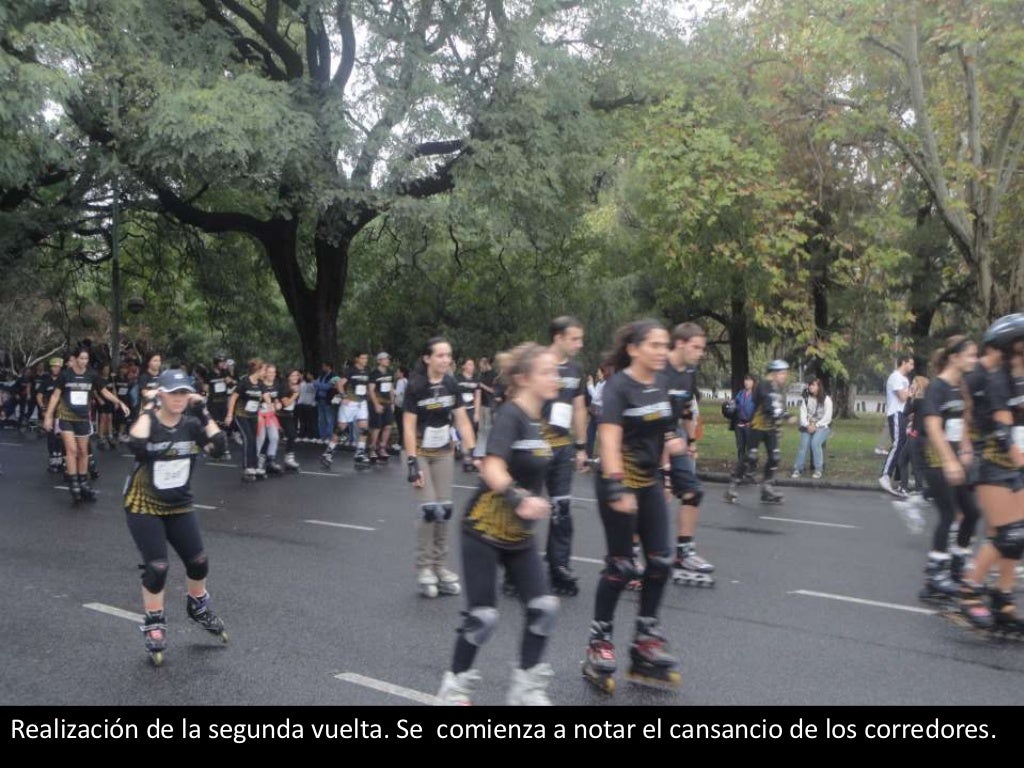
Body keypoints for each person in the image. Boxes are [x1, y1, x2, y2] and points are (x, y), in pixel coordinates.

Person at [436, 343, 560, 706]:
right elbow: (491, 466)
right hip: (484, 529)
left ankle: (525, 688)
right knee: (484, 617)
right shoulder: (511, 415)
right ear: (523, 379)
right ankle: (453, 690)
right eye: (547, 372)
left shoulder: (540, 420)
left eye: (556, 371)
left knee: (544, 608)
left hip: (518, 536)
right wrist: (520, 498)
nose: (555, 377)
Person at [581, 320, 687, 694]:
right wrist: (616, 484)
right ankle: (599, 642)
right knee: (622, 566)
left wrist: (671, 472)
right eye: (655, 345)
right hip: (619, 480)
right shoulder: (618, 387)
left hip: (651, 480)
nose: (662, 351)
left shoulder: (659, 382)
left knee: (659, 561)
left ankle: (645, 638)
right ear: (633, 349)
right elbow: (608, 440)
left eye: (665, 345)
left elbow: (665, 431)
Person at [124, 369, 229, 665]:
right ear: (161, 395)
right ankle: (154, 621)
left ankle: (197, 605)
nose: (179, 398)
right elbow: (134, 445)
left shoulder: (192, 425)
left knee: (198, 562)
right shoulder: (151, 423)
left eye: (184, 393)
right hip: (144, 505)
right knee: (157, 567)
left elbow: (219, 448)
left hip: (179, 504)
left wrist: (203, 410)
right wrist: (147, 406)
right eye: (173, 393)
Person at [951, 315, 1024, 633]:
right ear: (1008, 350)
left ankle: (1003, 597)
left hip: (1009, 463)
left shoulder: (1012, 377)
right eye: (1020, 350)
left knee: (1017, 537)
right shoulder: (995, 378)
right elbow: (1005, 430)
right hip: (994, 463)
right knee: (1008, 535)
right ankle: (969, 592)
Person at [404, 338, 479, 598]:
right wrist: (412, 463)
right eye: (440, 356)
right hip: (421, 452)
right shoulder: (415, 385)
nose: (446, 360)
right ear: (427, 358)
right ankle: (424, 568)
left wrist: (472, 452)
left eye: (449, 356)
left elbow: (463, 421)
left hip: (444, 452)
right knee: (428, 510)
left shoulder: (450, 383)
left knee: (444, 510)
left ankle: (440, 567)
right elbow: (409, 426)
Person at [914, 336, 981, 601]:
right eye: (971, 355)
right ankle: (935, 576)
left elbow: (962, 420)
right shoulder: (937, 387)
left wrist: (964, 448)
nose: (974, 360)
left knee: (973, 513)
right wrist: (949, 461)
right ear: (955, 357)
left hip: (954, 458)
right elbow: (932, 428)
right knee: (949, 514)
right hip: (935, 459)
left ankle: (957, 566)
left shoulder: (958, 387)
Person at [539, 317, 590, 596]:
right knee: (524, 507)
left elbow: (579, 408)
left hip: (563, 447)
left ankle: (558, 566)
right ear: (558, 337)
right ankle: (513, 569)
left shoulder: (575, 369)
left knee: (562, 508)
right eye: (575, 339)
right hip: (534, 447)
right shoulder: (537, 362)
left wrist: (581, 446)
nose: (580, 345)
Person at [43, 346, 130, 503]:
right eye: (81, 358)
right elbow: (55, 396)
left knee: (84, 451)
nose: (84, 361)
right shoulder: (66, 375)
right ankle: (73, 481)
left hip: (83, 418)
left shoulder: (91, 375)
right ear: (75, 358)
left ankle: (83, 482)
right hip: (66, 417)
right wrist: (48, 416)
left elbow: (104, 391)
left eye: (86, 359)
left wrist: (119, 402)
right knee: (72, 450)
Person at [664, 322, 713, 587]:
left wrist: (691, 440)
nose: (700, 352)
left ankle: (684, 553)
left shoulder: (688, 373)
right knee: (652, 498)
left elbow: (685, 410)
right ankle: (632, 556)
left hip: (673, 440)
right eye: (696, 347)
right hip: (648, 441)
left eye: (702, 348)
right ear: (680, 344)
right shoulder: (659, 370)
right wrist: (666, 473)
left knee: (693, 491)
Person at [725, 361, 791, 504]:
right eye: (782, 373)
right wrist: (784, 416)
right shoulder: (764, 385)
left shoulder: (779, 388)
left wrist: (784, 417)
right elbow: (768, 406)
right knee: (751, 456)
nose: (785, 376)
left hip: (770, 428)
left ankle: (766, 488)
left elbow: (781, 406)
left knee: (775, 457)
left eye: (785, 373)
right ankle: (733, 485)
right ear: (774, 373)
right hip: (758, 426)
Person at [322, 353, 372, 468]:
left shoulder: (367, 370)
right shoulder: (350, 371)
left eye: (366, 358)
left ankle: (359, 453)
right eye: (363, 358)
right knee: (340, 429)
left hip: (362, 402)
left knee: (364, 428)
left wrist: (369, 396)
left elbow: (367, 386)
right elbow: (339, 383)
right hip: (350, 403)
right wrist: (343, 396)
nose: (365, 360)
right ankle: (328, 453)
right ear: (357, 359)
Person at [225, 359, 271, 482]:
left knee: (254, 440)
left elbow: (267, 397)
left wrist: (270, 407)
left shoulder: (260, 384)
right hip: (241, 415)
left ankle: (254, 466)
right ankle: (247, 468)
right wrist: (229, 415)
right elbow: (233, 398)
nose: (265, 373)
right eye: (264, 370)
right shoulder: (244, 382)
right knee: (248, 439)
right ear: (258, 370)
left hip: (253, 416)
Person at [879, 354, 916, 497]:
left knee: (904, 445)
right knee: (898, 443)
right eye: (910, 364)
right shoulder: (895, 377)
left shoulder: (905, 380)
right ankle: (885, 475)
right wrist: (911, 391)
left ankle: (901, 479)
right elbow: (902, 397)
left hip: (904, 414)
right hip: (895, 413)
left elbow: (907, 398)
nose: (912, 367)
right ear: (903, 363)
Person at [791, 378, 833, 480]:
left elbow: (827, 417)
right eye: (810, 385)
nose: (811, 387)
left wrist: (816, 425)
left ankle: (818, 469)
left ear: (819, 387)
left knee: (815, 443)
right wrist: (807, 425)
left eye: (813, 385)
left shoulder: (826, 400)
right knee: (803, 445)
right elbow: (803, 414)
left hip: (822, 427)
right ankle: (798, 468)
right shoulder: (806, 399)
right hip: (807, 426)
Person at [35, 357, 65, 474]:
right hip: (50, 412)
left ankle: (62, 460)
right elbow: (39, 396)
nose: (55, 368)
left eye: (58, 366)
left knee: (62, 437)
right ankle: (53, 461)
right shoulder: (46, 380)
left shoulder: (63, 379)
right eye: (54, 366)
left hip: (62, 412)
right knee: (51, 437)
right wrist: (43, 408)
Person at [368, 352, 396, 463]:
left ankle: (382, 448)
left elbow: (391, 388)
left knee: (388, 426)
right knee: (377, 427)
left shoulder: (390, 372)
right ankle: (372, 449)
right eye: (385, 359)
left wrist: (392, 402)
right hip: (377, 402)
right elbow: (371, 390)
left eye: (388, 359)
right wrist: (376, 404)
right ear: (379, 361)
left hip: (387, 403)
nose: (387, 361)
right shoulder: (374, 373)